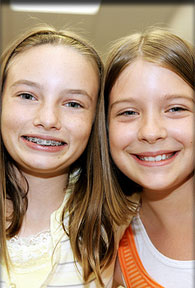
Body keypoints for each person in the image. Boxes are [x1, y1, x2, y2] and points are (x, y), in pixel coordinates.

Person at [0, 24, 117, 288]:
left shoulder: (119, 229)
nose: (48, 119)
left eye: (73, 104)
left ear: (95, 121)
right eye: (27, 95)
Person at [102, 27, 194, 287]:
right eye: (128, 112)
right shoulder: (109, 253)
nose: (151, 132)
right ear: (105, 128)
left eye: (176, 108)